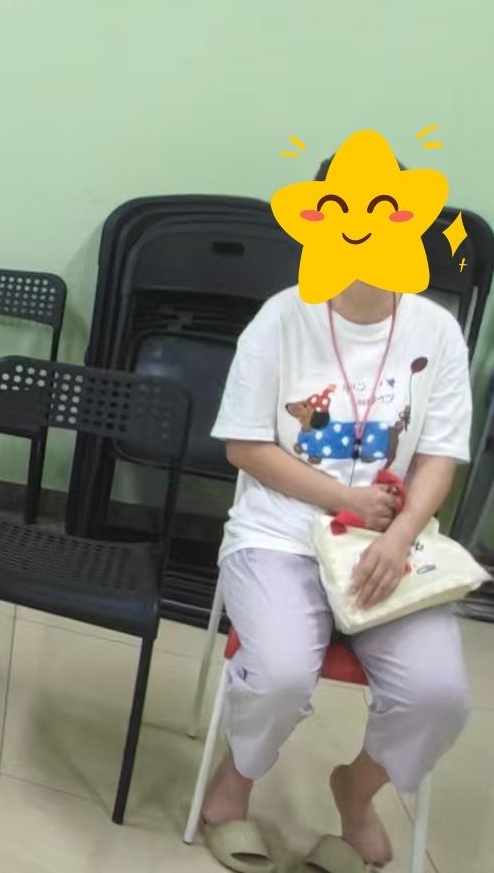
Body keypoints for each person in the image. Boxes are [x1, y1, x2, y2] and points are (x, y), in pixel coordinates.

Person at [197, 279, 473, 872]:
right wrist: (345, 498)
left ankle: (357, 789)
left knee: (438, 695)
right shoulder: (281, 316)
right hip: (281, 533)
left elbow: (439, 458)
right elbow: (244, 447)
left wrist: (399, 536)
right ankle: (236, 777)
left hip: (386, 542)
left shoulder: (437, 331)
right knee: (280, 674)